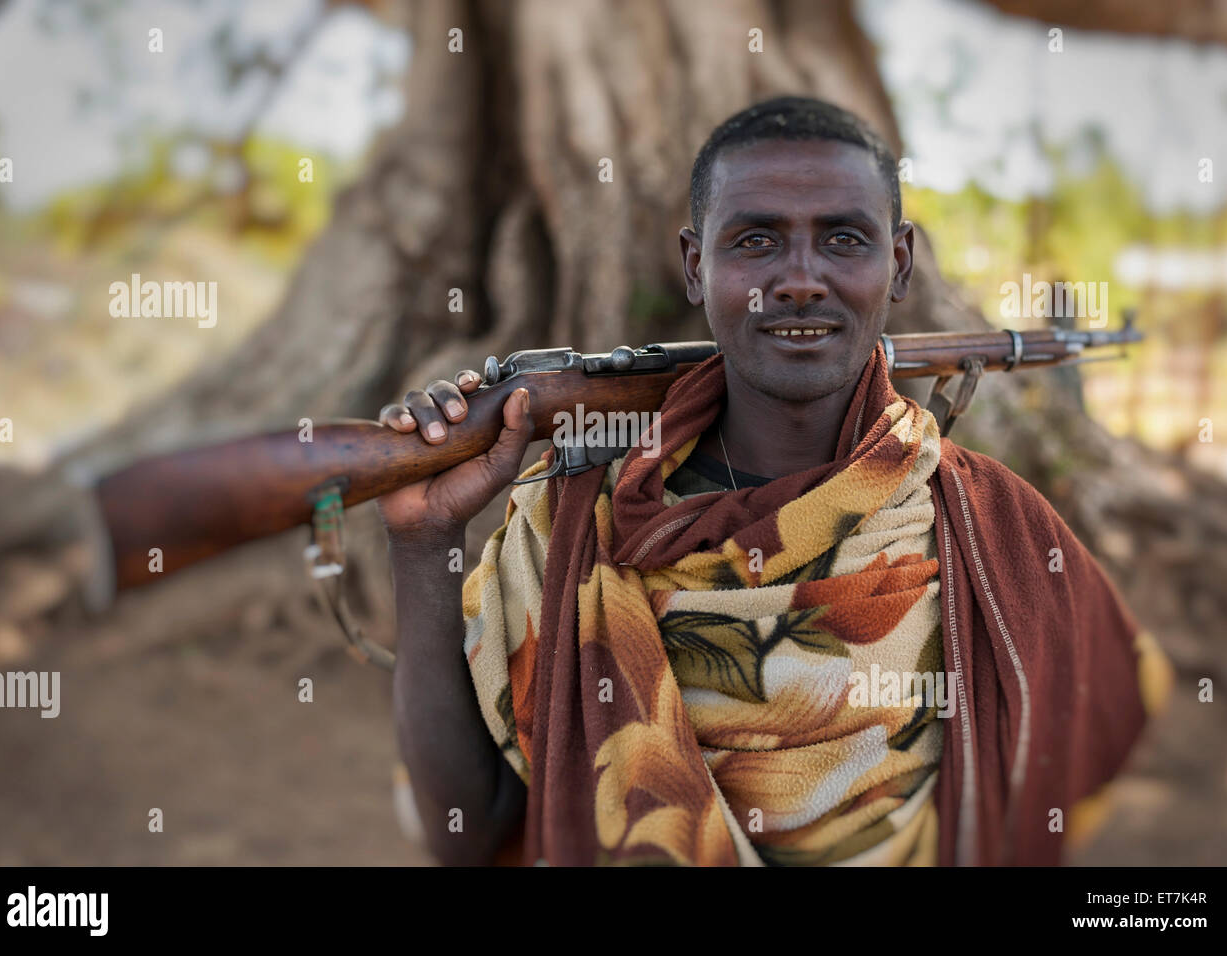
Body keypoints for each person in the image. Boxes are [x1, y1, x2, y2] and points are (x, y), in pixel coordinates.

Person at [375, 96, 1171, 867]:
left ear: (898, 264)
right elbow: (465, 833)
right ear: (696, 265)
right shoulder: (570, 522)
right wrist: (421, 541)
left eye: (844, 240)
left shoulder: (996, 527)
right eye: (756, 241)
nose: (798, 278)